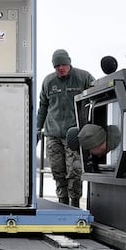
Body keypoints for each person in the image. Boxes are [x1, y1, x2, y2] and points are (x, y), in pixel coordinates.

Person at [36, 49, 95, 207]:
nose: (60, 68)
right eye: (57, 66)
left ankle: (74, 202)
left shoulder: (83, 77)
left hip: (74, 133)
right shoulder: (48, 81)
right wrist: (37, 129)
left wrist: (90, 125)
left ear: (69, 63)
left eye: (63, 65)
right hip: (53, 133)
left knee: (74, 170)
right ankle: (62, 202)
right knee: (57, 169)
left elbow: (97, 95)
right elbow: (43, 106)